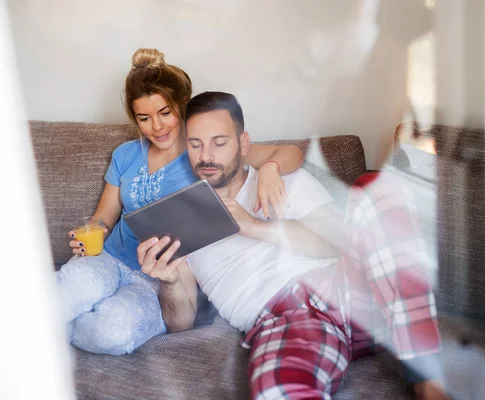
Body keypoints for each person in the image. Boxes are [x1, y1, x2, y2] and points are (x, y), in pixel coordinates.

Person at [137, 91, 448, 399]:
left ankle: (428, 379)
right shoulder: (182, 220)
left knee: (380, 189)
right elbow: (181, 322)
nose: (206, 156)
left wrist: (255, 227)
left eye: (219, 142)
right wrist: (170, 280)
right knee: (278, 392)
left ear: (243, 144)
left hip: (349, 291)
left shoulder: (281, 180)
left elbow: (338, 243)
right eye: (195, 144)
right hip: (284, 323)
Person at [55, 49, 305, 356]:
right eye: (144, 118)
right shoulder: (125, 155)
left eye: (165, 113)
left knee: (113, 335)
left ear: (181, 108)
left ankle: (56, 329)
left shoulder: (205, 153)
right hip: (109, 258)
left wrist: (270, 168)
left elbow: (292, 152)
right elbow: (104, 217)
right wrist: (89, 233)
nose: (157, 127)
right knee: (63, 298)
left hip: (157, 281)